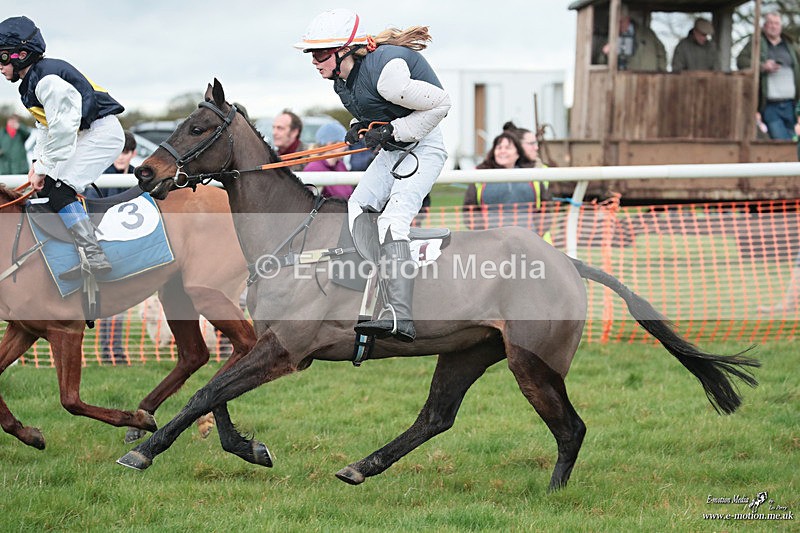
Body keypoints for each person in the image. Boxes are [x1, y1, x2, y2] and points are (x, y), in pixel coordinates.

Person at [295, 8, 451, 342]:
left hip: (425, 149)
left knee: (391, 221)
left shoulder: (387, 74)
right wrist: (361, 128)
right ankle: (358, 290)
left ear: (344, 51)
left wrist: (393, 129)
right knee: (358, 206)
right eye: (312, 54)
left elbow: (441, 104)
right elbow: (379, 113)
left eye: (320, 53)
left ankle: (400, 316)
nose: (314, 61)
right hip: (396, 149)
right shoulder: (340, 81)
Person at [0, 16, 125, 280]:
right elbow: (45, 127)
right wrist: (37, 163)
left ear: (21, 55)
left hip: (101, 133)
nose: (0, 67)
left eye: (2, 58)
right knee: (50, 188)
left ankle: (94, 255)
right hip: (85, 133)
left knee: (60, 189)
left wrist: (45, 168)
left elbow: (63, 129)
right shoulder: (31, 82)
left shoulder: (47, 81)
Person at [463, 132, 547, 231]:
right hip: (492, 241)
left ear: (518, 153)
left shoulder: (532, 175)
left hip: (527, 241)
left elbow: (546, 208)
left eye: (508, 148)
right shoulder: (480, 176)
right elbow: (470, 210)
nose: (502, 151)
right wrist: (483, 235)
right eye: (499, 148)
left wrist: (537, 234)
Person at [737, 12, 800, 140]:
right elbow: (740, 61)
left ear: (781, 26)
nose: (773, 26)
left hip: (791, 104)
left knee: (793, 141)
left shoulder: (790, 45)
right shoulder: (757, 43)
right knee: (780, 140)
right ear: (765, 26)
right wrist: (762, 66)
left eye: (776, 23)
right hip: (770, 104)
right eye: (770, 23)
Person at [594, 4, 666, 72]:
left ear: (627, 18)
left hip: (647, 79)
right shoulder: (609, 37)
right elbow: (599, 63)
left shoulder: (647, 34)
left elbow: (661, 53)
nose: (619, 25)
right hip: (621, 80)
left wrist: (661, 74)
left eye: (621, 21)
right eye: (615, 22)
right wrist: (604, 53)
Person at [303, 121, 354, 200]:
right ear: (330, 144)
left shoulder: (340, 165)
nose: (346, 147)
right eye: (342, 142)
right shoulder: (313, 169)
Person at [84, 130, 136, 199]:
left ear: (133, 154)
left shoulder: (138, 177)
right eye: (118, 152)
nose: (120, 157)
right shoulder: (99, 175)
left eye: (125, 152)